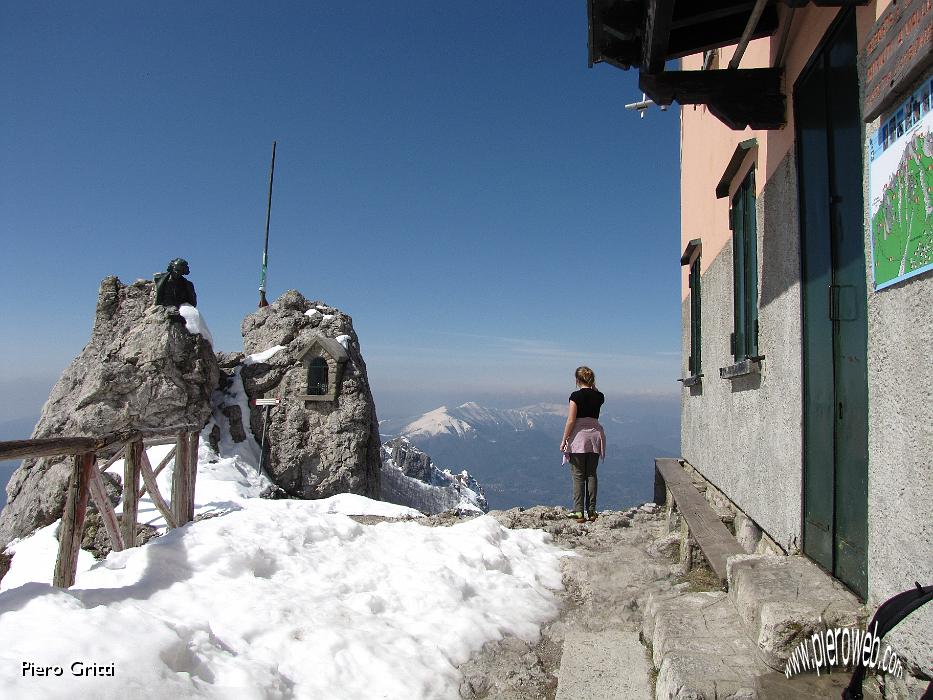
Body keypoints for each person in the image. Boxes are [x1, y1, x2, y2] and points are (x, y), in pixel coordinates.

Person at [559, 366, 606, 524]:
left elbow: (571, 420)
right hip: (595, 438)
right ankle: (592, 511)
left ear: (577, 380)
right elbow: (596, 393)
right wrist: (593, 387)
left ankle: (578, 512)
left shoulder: (575, 396)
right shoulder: (600, 396)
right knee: (591, 474)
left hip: (579, 439)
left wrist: (564, 439)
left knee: (578, 476)